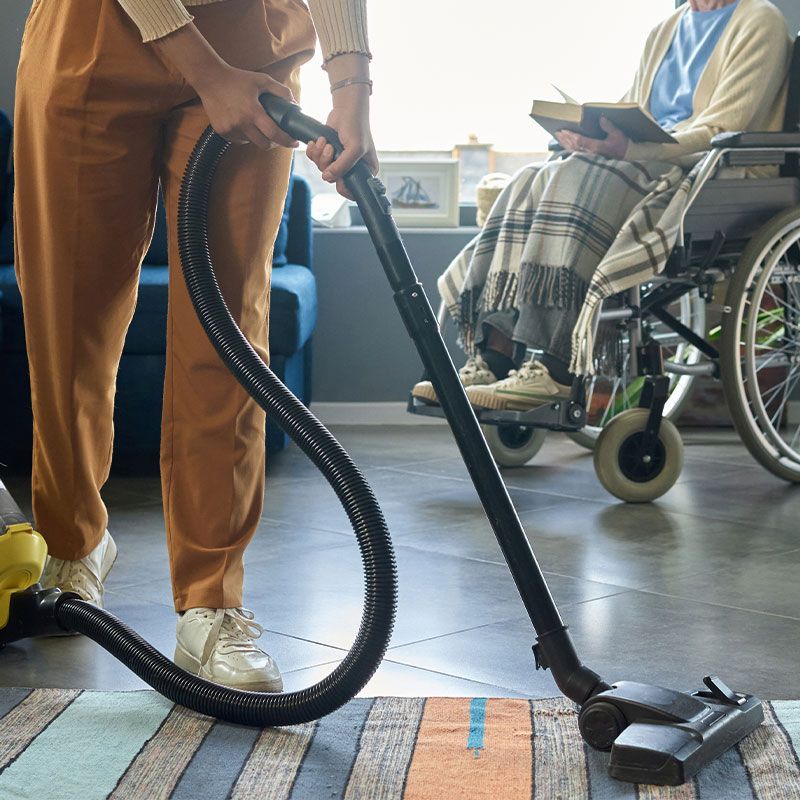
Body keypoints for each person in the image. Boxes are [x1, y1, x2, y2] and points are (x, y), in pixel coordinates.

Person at [15, 0, 376, 692]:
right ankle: (73, 542)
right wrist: (204, 71)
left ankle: (213, 600)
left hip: (252, 37)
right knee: (69, 322)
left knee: (227, 333)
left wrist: (351, 86)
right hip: (93, 33)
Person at [413, 0, 792, 411]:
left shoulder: (759, 20)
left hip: (702, 171)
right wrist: (589, 135)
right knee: (529, 181)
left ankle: (555, 367)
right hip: (642, 160)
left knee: (579, 179)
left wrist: (632, 149)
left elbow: (721, 128)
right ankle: (496, 357)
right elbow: (633, 109)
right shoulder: (665, 28)